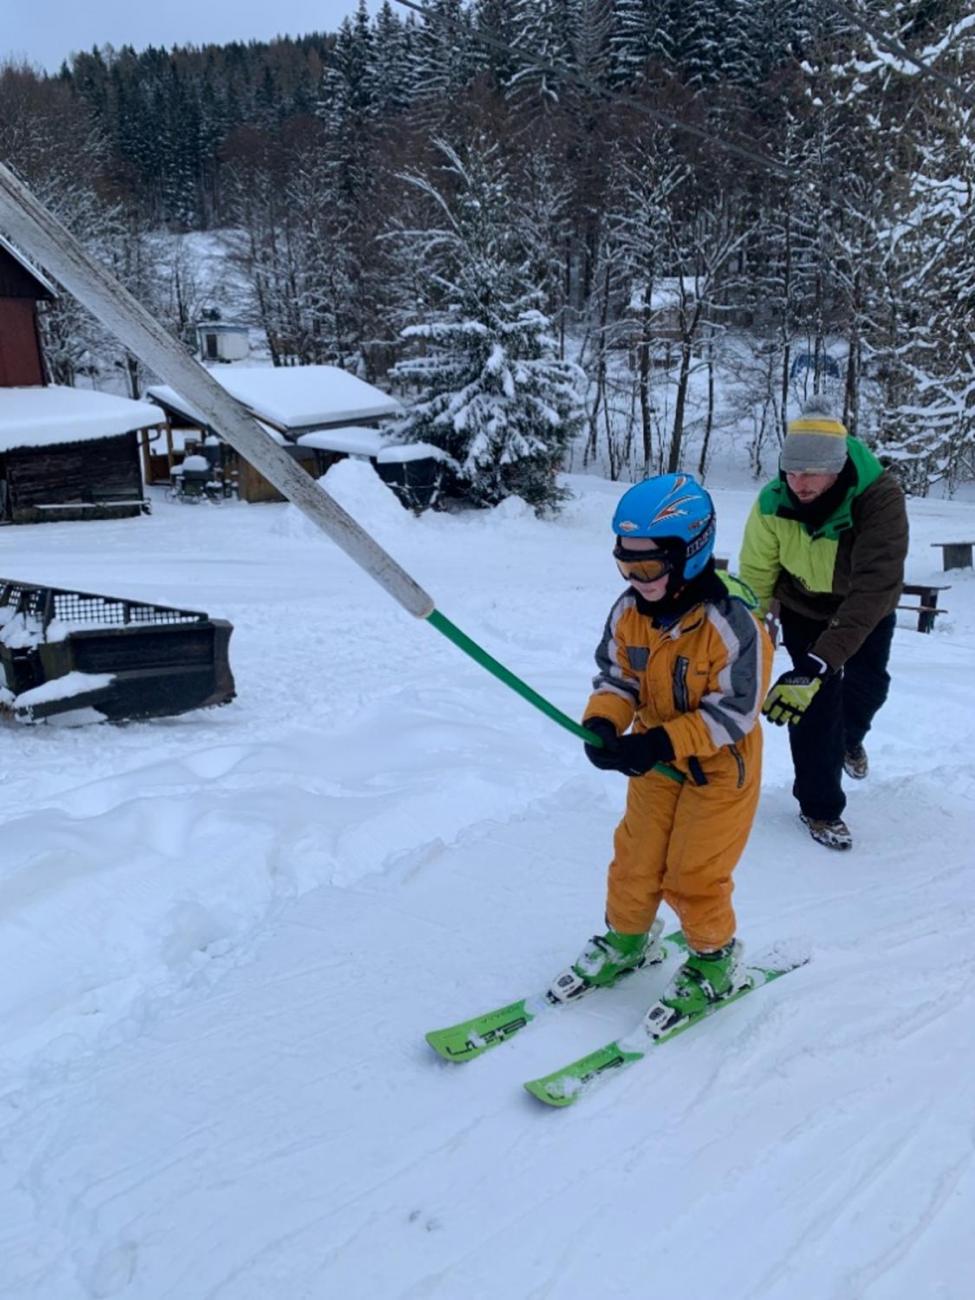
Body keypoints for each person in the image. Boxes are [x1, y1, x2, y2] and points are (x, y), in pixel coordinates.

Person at [561, 473, 773, 1026]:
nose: (638, 579)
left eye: (650, 566)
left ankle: (714, 962)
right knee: (635, 858)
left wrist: (657, 741)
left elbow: (735, 712)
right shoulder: (628, 612)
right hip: (655, 762)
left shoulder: (734, 625)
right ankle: (629, 941)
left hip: (720, 767)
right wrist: (605, 725)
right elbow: (616, 678)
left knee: (692, 872)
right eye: (627, 565)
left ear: (692, 551)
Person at [738, 396, 908, 851]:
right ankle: (819, 807)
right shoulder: (774, 500)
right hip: (804, 607)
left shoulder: (879, 499)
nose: (800, 483)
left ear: (837, 467)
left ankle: (850, 739)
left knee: (869, 686)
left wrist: (819, 662)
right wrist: (751, 636)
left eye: (811, 473)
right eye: (791, 472)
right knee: (810, 703)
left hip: (863, 608)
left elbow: (875, 587)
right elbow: (756, 573)